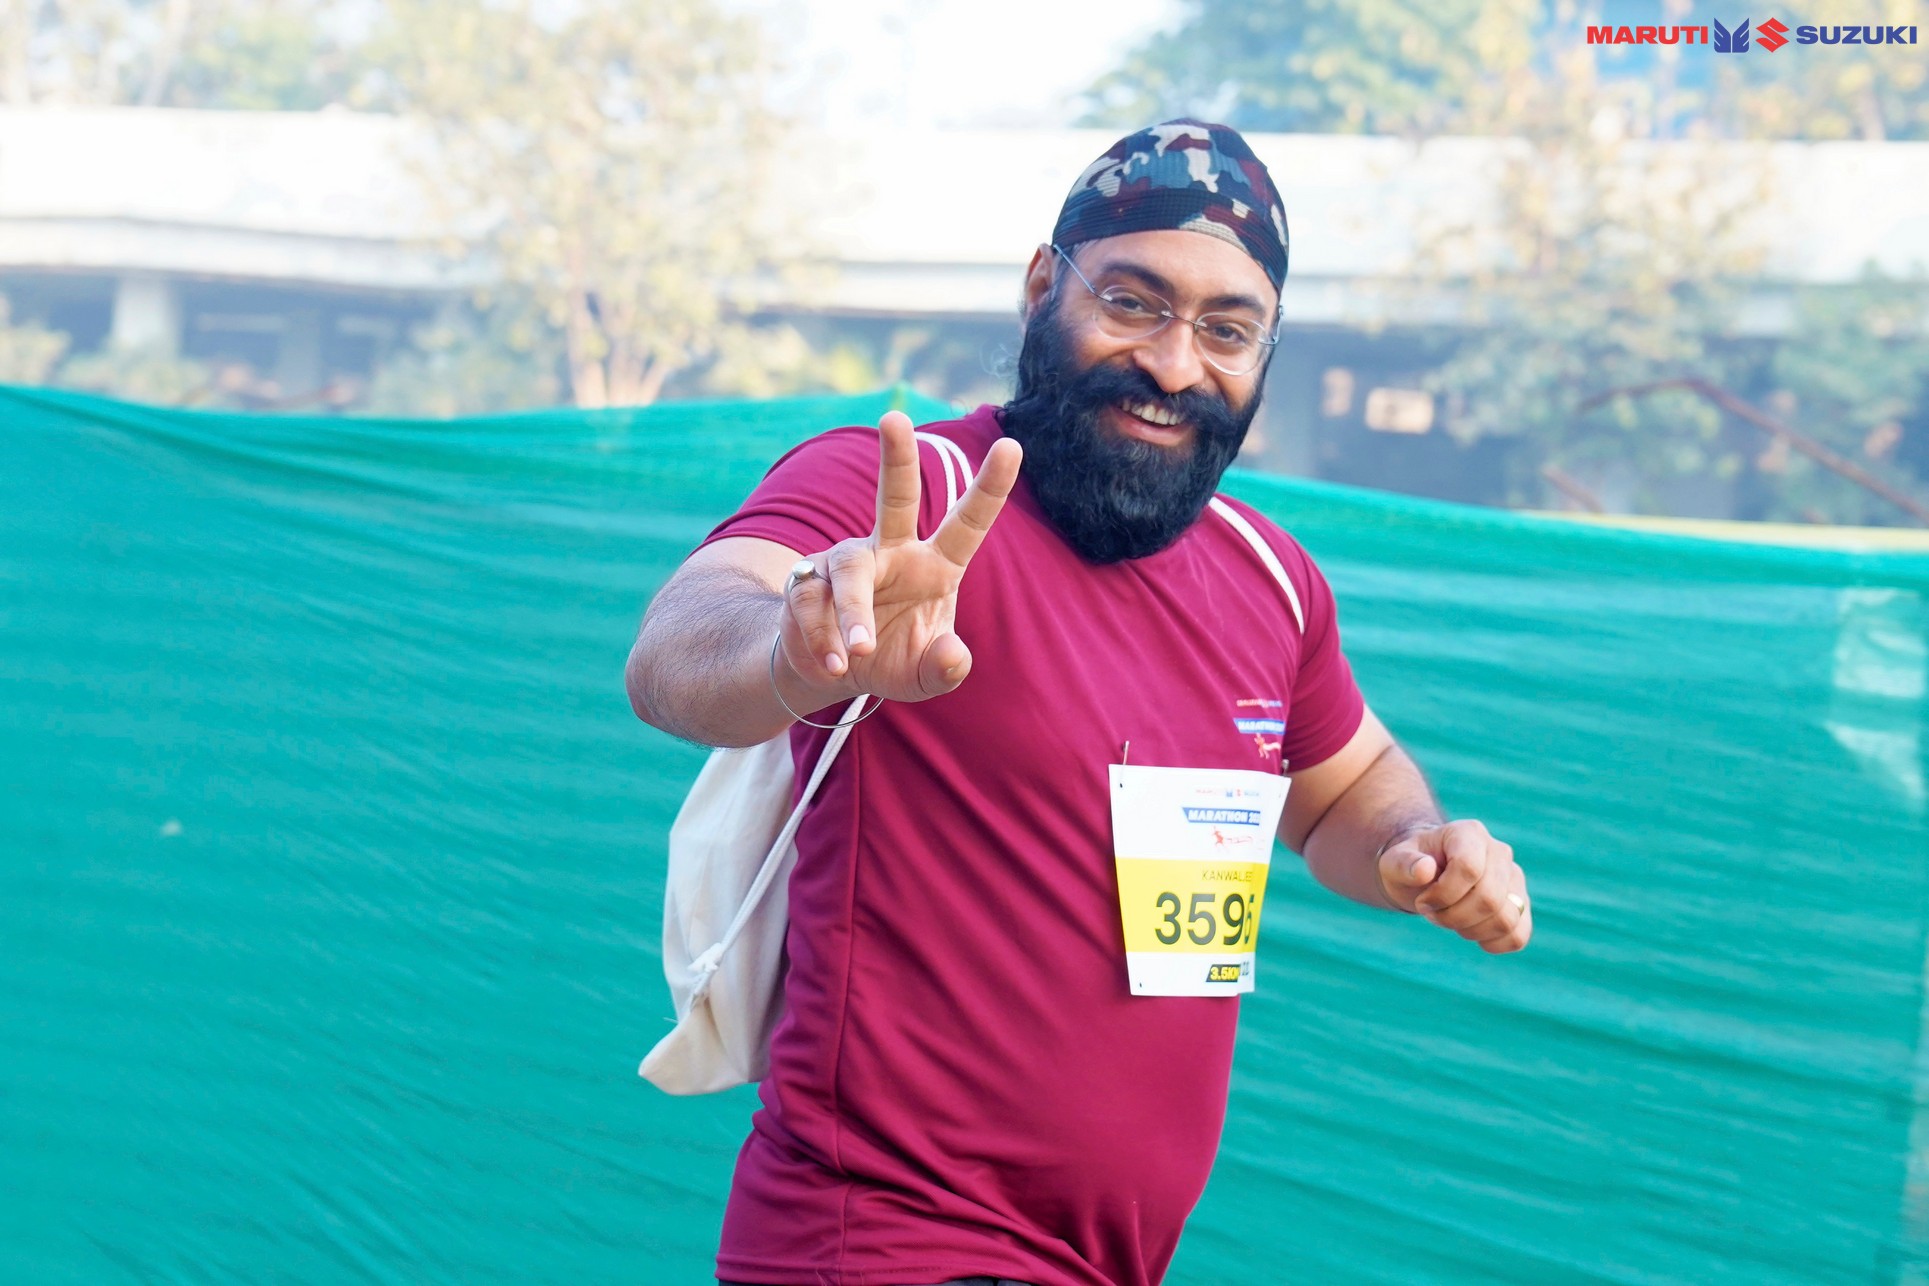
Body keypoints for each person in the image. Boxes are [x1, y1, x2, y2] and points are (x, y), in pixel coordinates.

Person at [626, 120, 1532, 1286]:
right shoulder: (908, 495)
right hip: (889, 1244)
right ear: (1042, 288)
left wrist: (1417, 843)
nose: (1174, 363)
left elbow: (1345, 783)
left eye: (1226, 329)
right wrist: (801, 650)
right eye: (1134, 302)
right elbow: (675, 647)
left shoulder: (1272, 580)